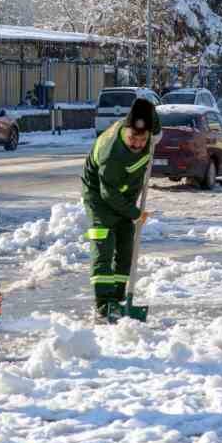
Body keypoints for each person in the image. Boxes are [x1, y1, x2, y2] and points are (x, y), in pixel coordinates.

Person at [82, 96, 158, 322]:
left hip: (123, 194)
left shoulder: (149, 127)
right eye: (133, 138)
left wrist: (158, 136)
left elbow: (155, 120)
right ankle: (104, 305)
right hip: (99, 197)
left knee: (126, 247)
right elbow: (108, 194)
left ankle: (118, 298)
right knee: (104, 248)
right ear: (125, 130)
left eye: (143, 139)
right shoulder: (112, 153)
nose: (137, 144)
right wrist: (135, 214)